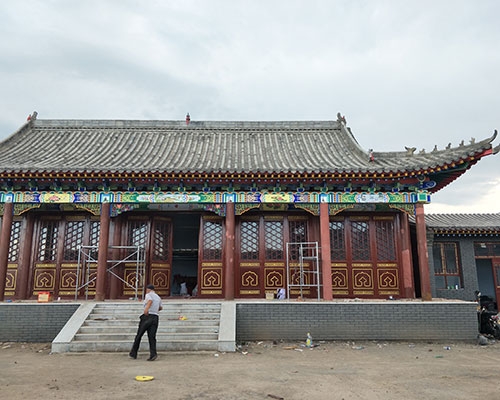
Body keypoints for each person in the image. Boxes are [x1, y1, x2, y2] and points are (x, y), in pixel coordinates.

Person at [129, 284, 163, 361]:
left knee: (139, 334)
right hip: (155, 317)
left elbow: (150, 301)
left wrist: (146, 309)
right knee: (152, 337)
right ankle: (153, 354)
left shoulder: (148, 295)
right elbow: (160, 307)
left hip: (148, 316)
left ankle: (133, 353)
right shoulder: (158, 297)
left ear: (148, 289)